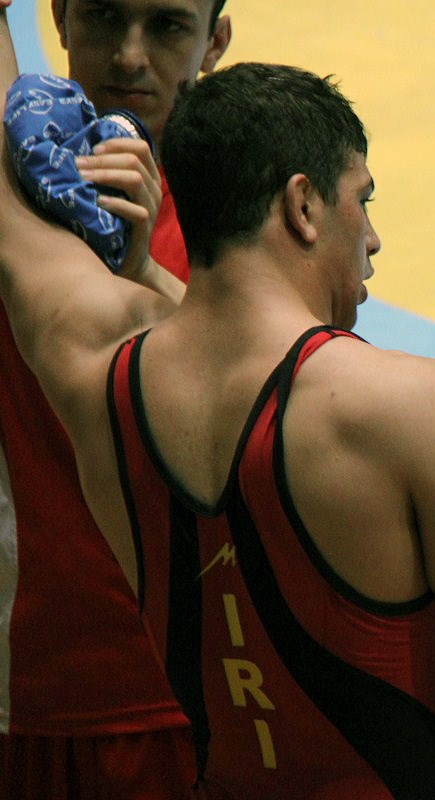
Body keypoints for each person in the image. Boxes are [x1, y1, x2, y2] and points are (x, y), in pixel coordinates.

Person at [0, 41, 435, 800]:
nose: (372, 238)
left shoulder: (95, 375)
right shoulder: (404, 408)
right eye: (363, 200)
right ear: (303, 205)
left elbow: (13, 224)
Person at [0, 1, 230, 796]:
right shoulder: (18, 188)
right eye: (104, 17)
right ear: (60, 17)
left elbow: (282, 395)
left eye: (167, 26)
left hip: (186, 702)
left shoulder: (249, 220)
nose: (130, 57)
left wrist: (146, 276)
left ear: (214, 42)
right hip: (21, 692)